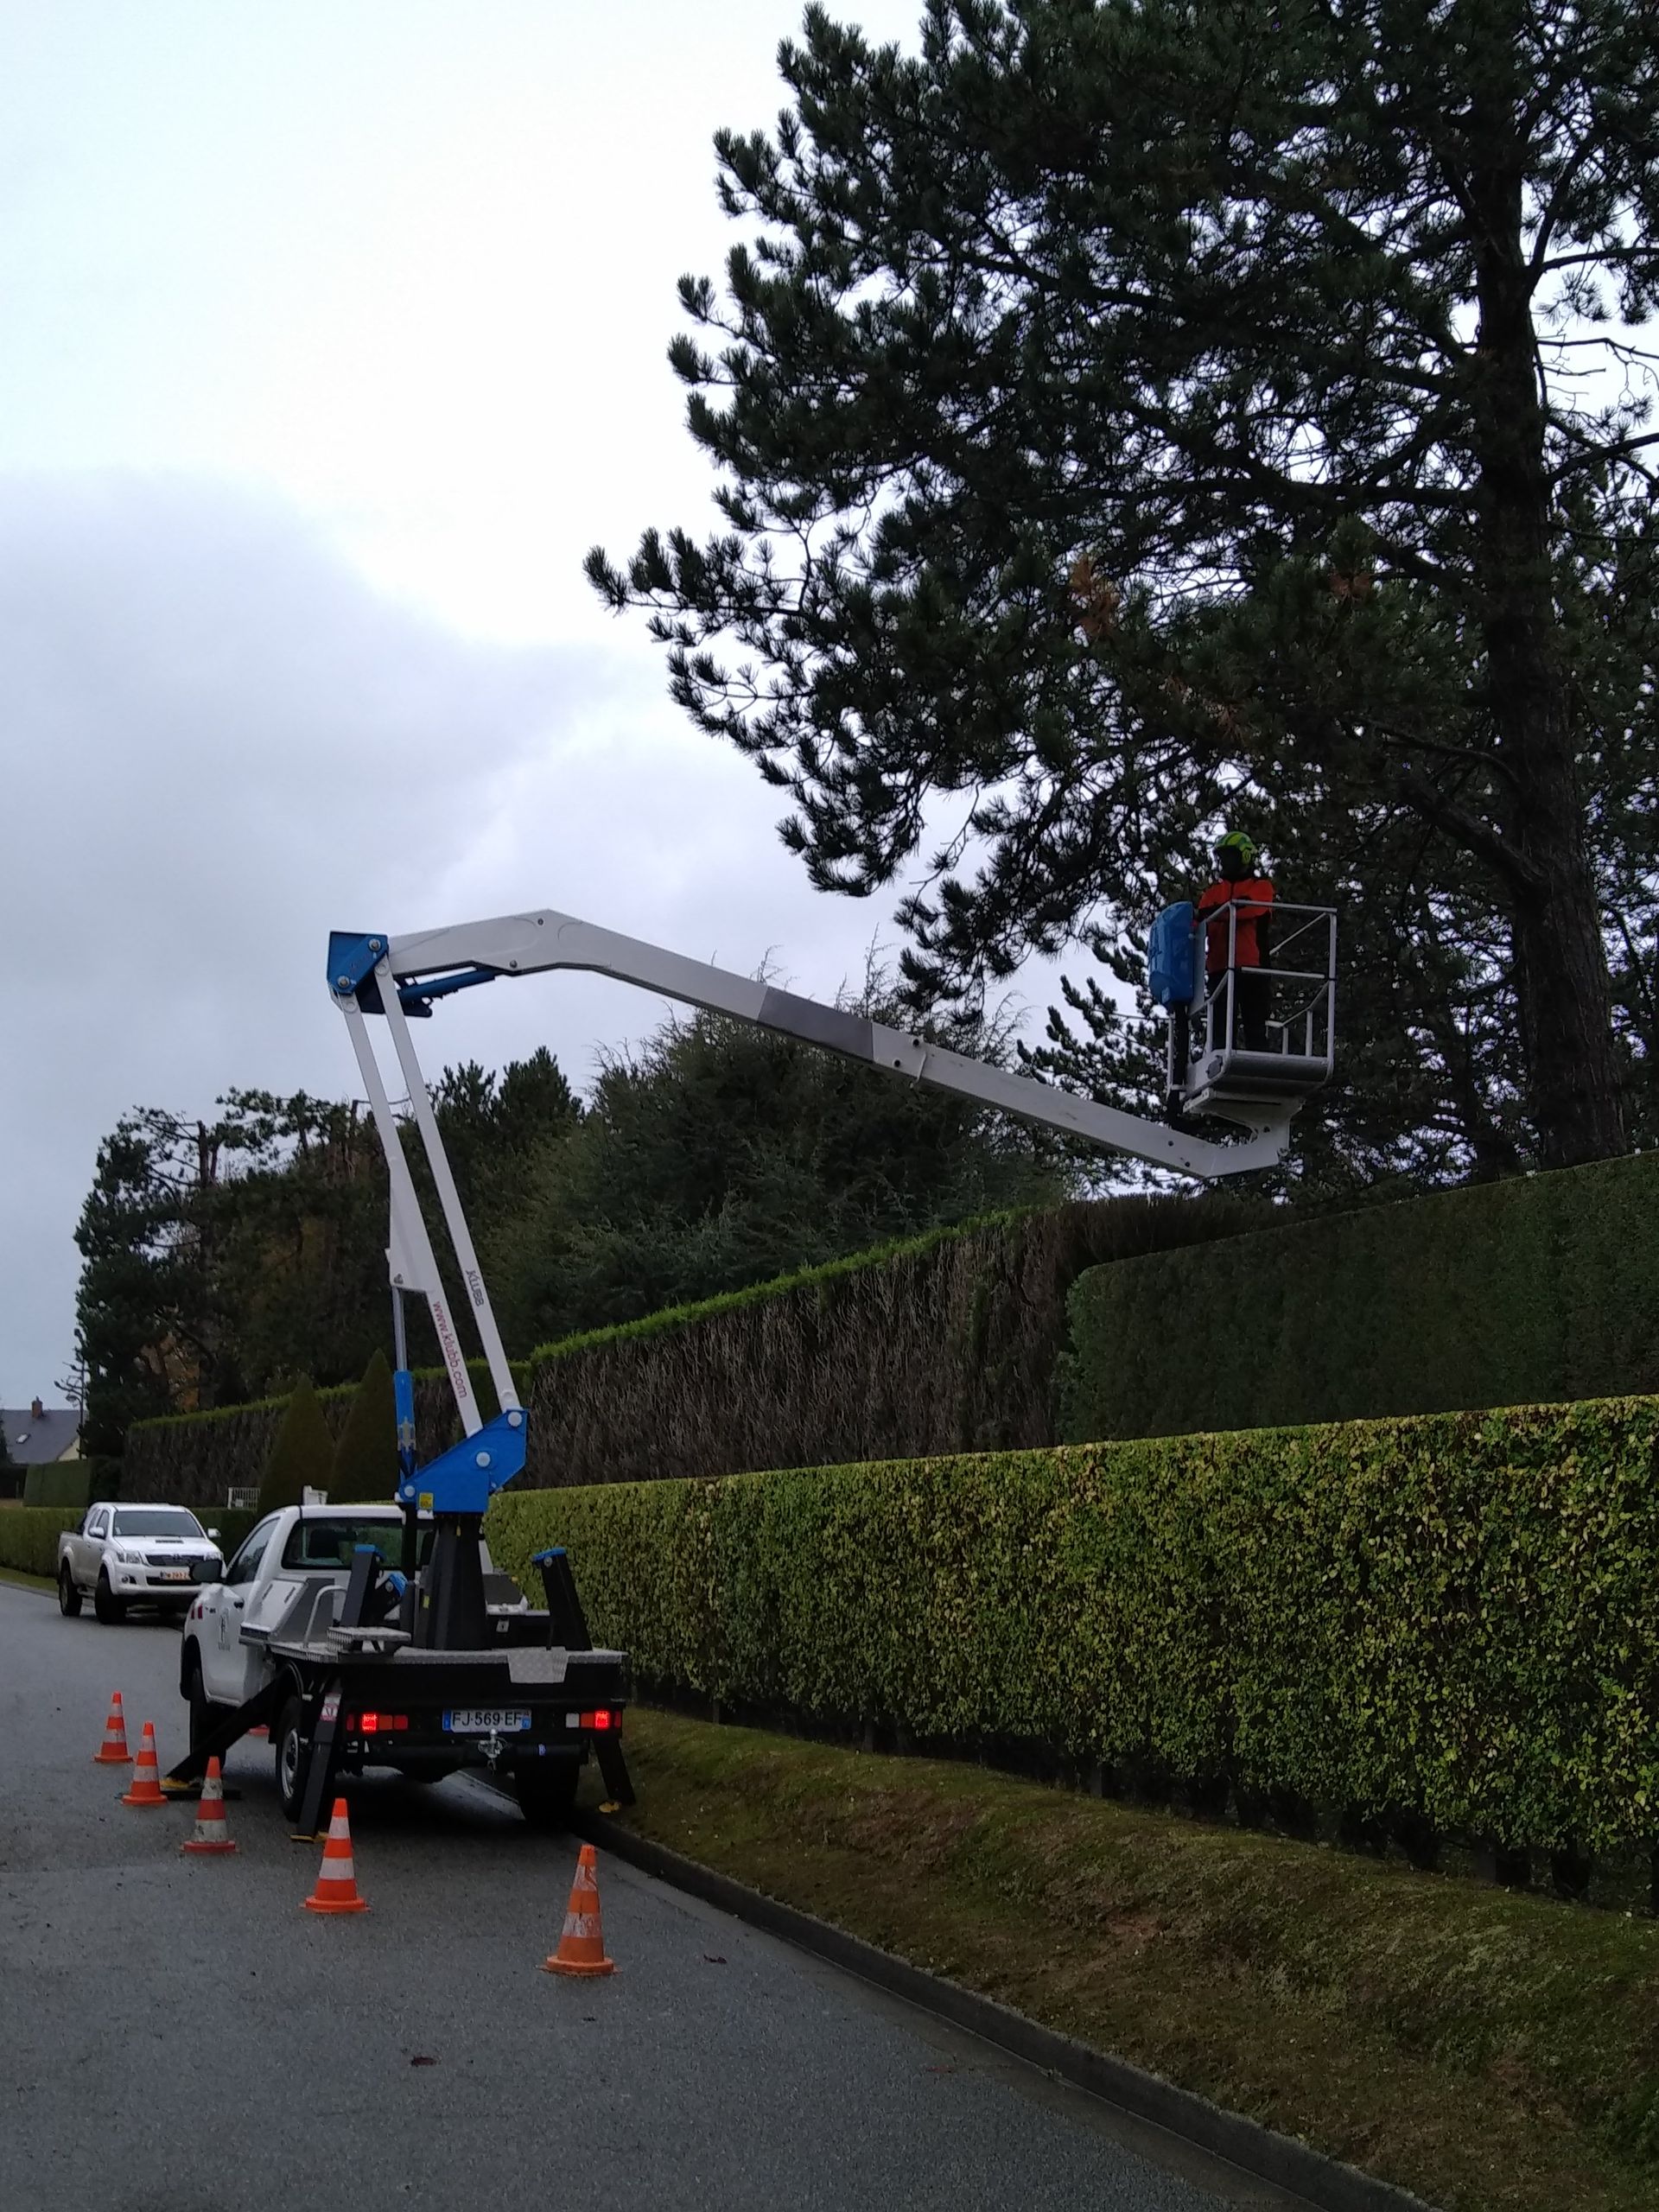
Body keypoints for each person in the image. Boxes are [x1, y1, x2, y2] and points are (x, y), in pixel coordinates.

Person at [1195, 830, 1275, 1052]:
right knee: (1220, 1028)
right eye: (1221, 858)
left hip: (1253, 969)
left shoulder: (1260, 887)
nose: (1223, 863)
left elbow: (1249, 908)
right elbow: (1200, 920)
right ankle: (1220, 1060)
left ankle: (1259, 1069)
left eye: (1229, 857)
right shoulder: (1213, 892)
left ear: (1245, 857)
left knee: (1255, 1026)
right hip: (1219, 969)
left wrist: (1218, 912)